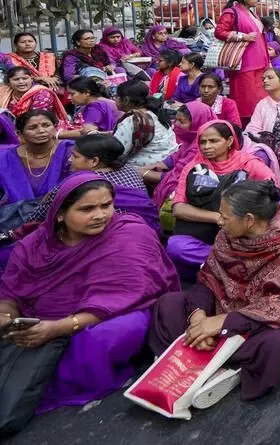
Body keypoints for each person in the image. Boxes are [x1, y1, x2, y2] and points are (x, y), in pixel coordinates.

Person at [0, 173, 178, 434]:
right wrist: (6, 316)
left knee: (108, 336)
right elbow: (11, 291)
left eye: (106, 206)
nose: (100, 215)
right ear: (60, 214)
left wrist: (59, 327)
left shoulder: (130, 233)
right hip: (39, 318)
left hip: (114, 312)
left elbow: (127, 294)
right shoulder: (37, 243)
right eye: (87, 209)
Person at [150, 180, 280, 405]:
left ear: (249, 220)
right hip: (226, 307)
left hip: (274, 318)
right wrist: (199, 317)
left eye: (225, 216)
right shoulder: (227, 237)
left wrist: (225, 322)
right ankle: (202, 348)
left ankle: (215, 363)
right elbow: (210, 277)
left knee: (277, 343)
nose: (219, 220)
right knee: (168, 304)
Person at [166, 121, 280, 279]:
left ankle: (220, 266)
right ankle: (233, 265)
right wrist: (217, 218)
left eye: (213, 141)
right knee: (175, 246)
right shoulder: (193, 167)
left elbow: (272, 193)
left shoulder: (249, 164)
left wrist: (237, 219)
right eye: (203, 142)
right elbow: (179, 208)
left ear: (229, 141)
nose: (206, 146)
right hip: (200, 237)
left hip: (239, 233)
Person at [214, 0, 269, 125]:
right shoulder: (231, 12)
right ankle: (243, 130)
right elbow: (219, 32)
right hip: (244, 64)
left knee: (260, 99)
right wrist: (242, 36)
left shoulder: (252, 12)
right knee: (246, 101)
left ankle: (260, 127)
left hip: (260, 62)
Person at [0, 110, 75, 208]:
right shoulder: (5, 159)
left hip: (61, 211)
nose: (41, 131)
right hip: (14, 215)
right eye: (33, 127)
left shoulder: (70, 151)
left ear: (55, 128)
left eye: (46, 125)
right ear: (19, 133)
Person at [145, 101, 215, 204]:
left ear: (197, 123)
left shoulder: (201, 147)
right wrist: (142, 170)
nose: (176, 124)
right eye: (176, 120)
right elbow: (170, 161)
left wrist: (142, 174)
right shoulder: (189, 142)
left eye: (181, 122)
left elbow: (179, 177)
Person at [111, 80, 176, 169]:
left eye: (116, 96)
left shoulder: (133, 120)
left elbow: (116, 153)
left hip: (144, 169)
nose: (114, 99)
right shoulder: (154, 112)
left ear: (126, 100)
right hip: (167, 162)